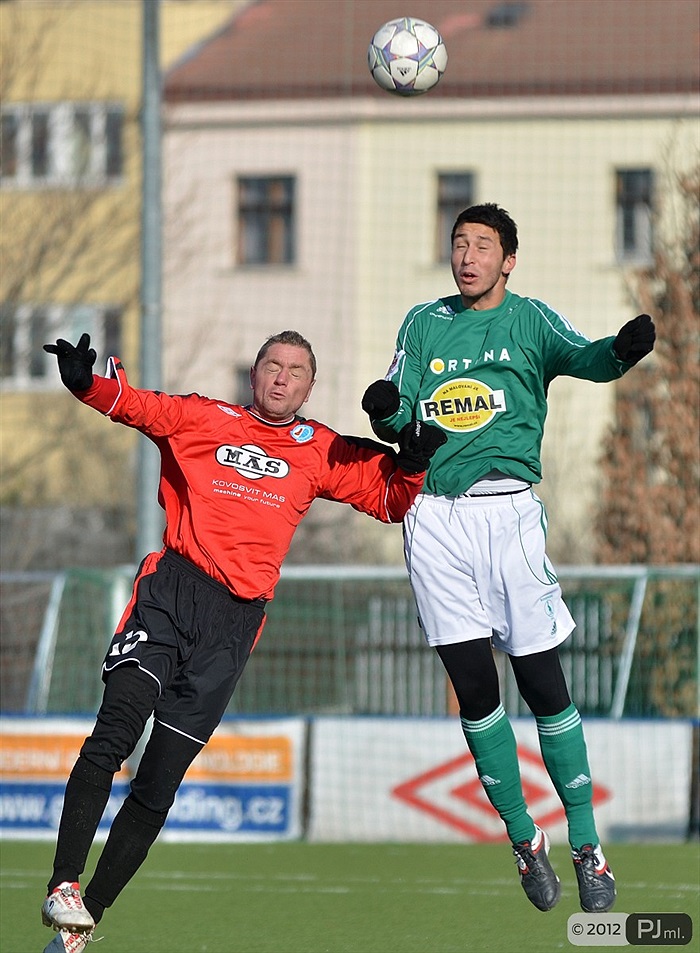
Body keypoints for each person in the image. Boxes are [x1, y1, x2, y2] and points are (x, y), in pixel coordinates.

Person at [39, 328, 446, 953]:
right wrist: (82, 381)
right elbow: (131, 402)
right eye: (272, 366)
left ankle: (82, 922)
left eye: (297, 371)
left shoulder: (320, 450)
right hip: (172, 594)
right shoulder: (204, 418)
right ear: (253, 375)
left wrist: (415, 460)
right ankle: (64, 882)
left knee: (159, 782)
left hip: (232, 628)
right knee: (118, 725)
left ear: (312, 386)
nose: (282, 377)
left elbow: (391, 497)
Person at [361, 203, 655, 914]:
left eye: (482, 245)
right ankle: (525, 838)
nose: (467, 256)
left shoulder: (530, 321)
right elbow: (399, 409)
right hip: (434, 516)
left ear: (508, 260)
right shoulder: (422, 322)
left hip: (509, 512)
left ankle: (586, 843)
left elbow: (587, 359)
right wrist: (384, 415)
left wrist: (623, 348)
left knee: (543, 680)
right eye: (459, 243)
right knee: (473, 686)